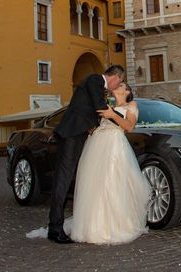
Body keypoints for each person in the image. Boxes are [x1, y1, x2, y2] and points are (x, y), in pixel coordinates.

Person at [47, 65, 125, 244]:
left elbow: (93, 108)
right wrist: (120, 120)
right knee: (63, 180)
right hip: (72, 134)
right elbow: (99, 107)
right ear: (115, 77)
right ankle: (55, 228)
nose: (117, 86)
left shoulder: (97, 84)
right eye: (119, 82)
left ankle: (55, 226)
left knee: (65, 178)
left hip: (77, 134)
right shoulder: (95, 79)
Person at [69, 83, 151, 245]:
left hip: (114, 145)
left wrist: (111, 114)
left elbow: (129, 126)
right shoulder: (106, 104)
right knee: (95, 184)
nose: (116, 85)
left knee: (112, 183)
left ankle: (114, 226)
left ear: (127, 91)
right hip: (96, 144)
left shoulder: (131, 105)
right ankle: (92, 226)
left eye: (120, 84)